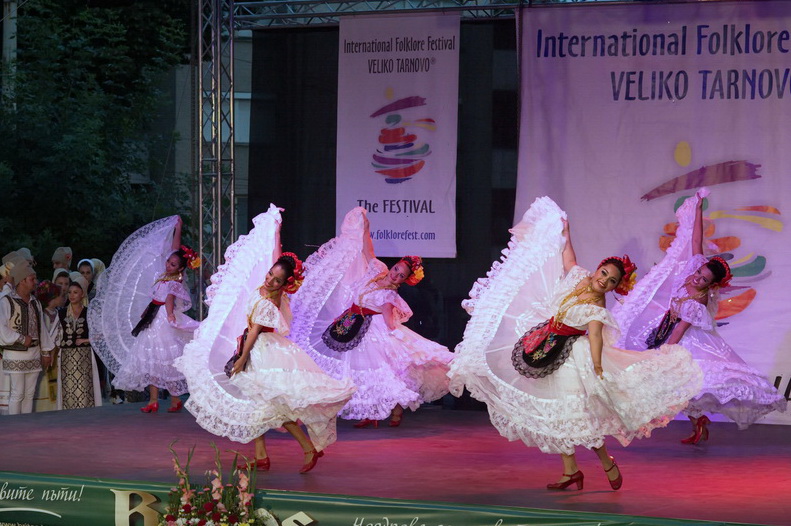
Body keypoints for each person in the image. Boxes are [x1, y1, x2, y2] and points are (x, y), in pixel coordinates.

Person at [448, 196, 703, 491]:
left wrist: (597, 366)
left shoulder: (597, 308)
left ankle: (606, 461)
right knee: (558, 417)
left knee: (578, 417)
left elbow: (594, 337)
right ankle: (571, 472)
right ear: (597, 270)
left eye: (611, 281)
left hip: (572, 357)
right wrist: (566, 233)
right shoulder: (580, 278)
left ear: (613, 287)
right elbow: (568, 259)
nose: (604, 281)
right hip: (546, 343)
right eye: (604, 273)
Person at [175, 205, 355, 473]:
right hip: (255, 347)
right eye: (270, 274)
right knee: (258, 406)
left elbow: (255, 332)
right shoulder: (264, 289)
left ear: (284, 285)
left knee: (271, 406)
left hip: (261, 352)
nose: (270, 280)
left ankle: (306, 448)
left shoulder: (270, 301)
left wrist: (242, 359)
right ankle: (264, 455)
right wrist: (273, 228)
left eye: (277, 280)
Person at [614, 189, 787, 443]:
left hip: (684, 340)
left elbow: (680, 328)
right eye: (699, 273)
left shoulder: (699, 300)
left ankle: (661, 421)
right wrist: (698, 208)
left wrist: (664, 352)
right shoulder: (694, 266)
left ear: (710, 285)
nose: (697, 278)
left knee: (677, 383)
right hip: (666, 327)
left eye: (703, 279)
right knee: (676, 386)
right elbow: (696, 240)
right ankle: (697, 422)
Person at [289, 208, 453, 428]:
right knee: (344, 365)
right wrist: (365, 225)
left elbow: (388, 320)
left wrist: (400, 339)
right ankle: (370, 413)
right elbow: (368, 248)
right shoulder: (378, 269)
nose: (395, 274)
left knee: (376, 371)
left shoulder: (389, 295)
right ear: (394, 265)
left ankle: (392, 410)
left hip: (370, 330)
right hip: (350, 321)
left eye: (401, 275)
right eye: (397, 269)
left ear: (404, 280)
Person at [90, 216, 198, 412]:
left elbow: (169, 299)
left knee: (165, 358)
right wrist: (177, 228)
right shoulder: (164, 276)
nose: (168, 265)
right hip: (154, 317)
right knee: (151, 358)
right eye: (168, 262)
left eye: (173, 264)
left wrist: (170, 315)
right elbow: (173, 251)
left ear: (181, 268)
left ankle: (174, 398)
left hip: (163, 319)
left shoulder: (176, 280)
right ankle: (154, 400)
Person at [0, 261, 56, 414]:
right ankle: (15, 426)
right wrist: (21, 338)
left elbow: (41, 328)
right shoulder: (6, 301)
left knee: (29, 394)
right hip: (15, 353)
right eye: (32, 279)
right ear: (22, 280)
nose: (36, 282)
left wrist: (45, 351)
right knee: (17, 393)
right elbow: (1, 328)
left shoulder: (35, 302)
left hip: (34, 353)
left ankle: (26, 425)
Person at [57, 275, 102, 409]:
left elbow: (100, 334)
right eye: (70, 292)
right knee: (68, 388)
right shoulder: (61, 313)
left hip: (85, 355)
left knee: (86, 387)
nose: (71, 295)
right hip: (66, 357)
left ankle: (87, 415)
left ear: (82, 294)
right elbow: (55, 334)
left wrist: (85, 340)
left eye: (75, 292)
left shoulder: (89, 313)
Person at [33, 280, 64, 411]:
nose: (63, 298)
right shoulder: (41, 314)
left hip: (56, 354)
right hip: (44, 355)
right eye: (60, 295)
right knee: (43, 383)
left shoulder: (58, 313)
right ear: (52, 298)